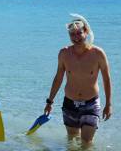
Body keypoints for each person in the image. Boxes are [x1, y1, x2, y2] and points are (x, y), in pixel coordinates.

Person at [44, 13, 112, 146]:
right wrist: (49, 101)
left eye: (78, 33)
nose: (76, 38)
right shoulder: (64, 53)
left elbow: (107, 79)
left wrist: (108, 104)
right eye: (72, 34)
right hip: (69, 104)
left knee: (86, 142)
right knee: (72, 140)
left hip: (91, 104)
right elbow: (58, 78)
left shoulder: (98, 54)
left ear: (86, 32)